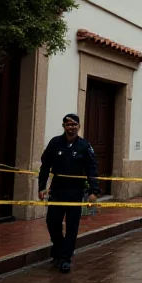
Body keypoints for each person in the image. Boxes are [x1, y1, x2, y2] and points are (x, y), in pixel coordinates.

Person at [37, 114, 100, 274]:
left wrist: (93, 191)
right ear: (64, 126)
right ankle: (58, 249)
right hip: (57, 190)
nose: (71, 127)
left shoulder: (85, 146)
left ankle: (65, 258)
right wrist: (42, 187)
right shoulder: (55, 143)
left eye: (74, 125)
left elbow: (92, 169)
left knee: (72, 226)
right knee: (52, 222)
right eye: (68, 125)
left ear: (78, 126)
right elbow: (45, 166)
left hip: (75, 192)